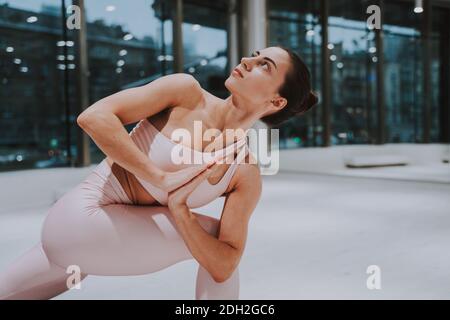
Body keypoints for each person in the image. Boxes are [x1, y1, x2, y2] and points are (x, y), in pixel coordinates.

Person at [0, 46, 318, 300]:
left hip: (90, 250)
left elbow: (225, 265)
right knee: (213, 240)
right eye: (255, 54)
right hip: (80, 219)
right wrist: (160, 179)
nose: (248, 60)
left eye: (265, 65)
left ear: (276, 100)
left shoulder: (245, 172)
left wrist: (180, 212)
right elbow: (93, 117)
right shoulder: (185, 92)